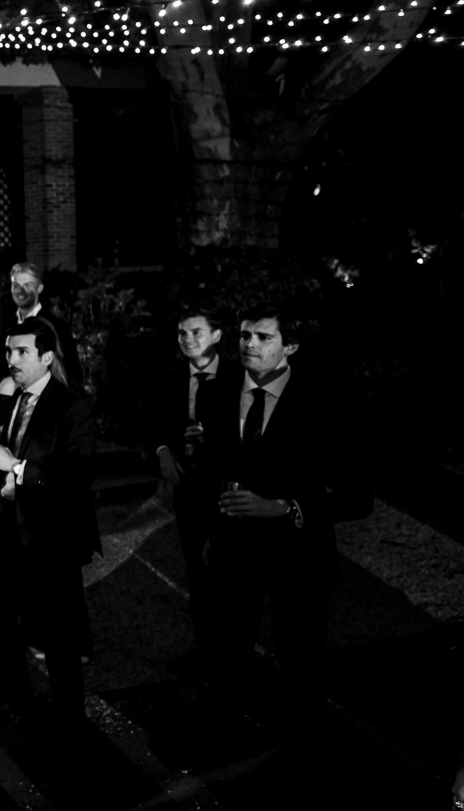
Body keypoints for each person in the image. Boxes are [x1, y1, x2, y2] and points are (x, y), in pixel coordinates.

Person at [198, 304, 371, 735]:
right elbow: (210, 471)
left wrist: (285, 507)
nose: (249, 344)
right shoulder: (216, 394)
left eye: (263, 337)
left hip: (299, 558)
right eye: (244, 335)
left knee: (298, 665)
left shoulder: (322, 403)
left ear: (289, 346)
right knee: (227, 657)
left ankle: (298, 745)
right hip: (234, 554)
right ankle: (224, 733)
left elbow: (357, 497)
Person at [0, 318, 99, 722]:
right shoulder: (14, 399)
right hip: (6, 525)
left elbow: (76, 477)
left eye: (22, 351)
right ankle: (12, 686)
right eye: (9, 351)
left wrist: (17, 467)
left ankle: (69, 717)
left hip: (50, 535)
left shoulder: (72, 406)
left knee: (57, 632)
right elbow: (7, 449)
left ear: (46, 357)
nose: (12, 359)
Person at [150, 308, 240, 670]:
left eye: (196, 332)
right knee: (195, 566)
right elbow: (156, 421)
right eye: (182, 333)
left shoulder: (237, 376)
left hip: (226, 484)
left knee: (229, 566)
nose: (187, 340)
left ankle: (233, 649)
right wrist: (163, 450)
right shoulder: (172, 375)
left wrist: (212, 438)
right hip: (187, 484)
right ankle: (205, 649)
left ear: (216, 336)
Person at [7, 262, 82, 392]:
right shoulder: (7, 322)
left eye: (27, 285)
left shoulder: (56, 326)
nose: (21, 291)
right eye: (16, 286)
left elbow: (72, 372)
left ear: (40, 288)